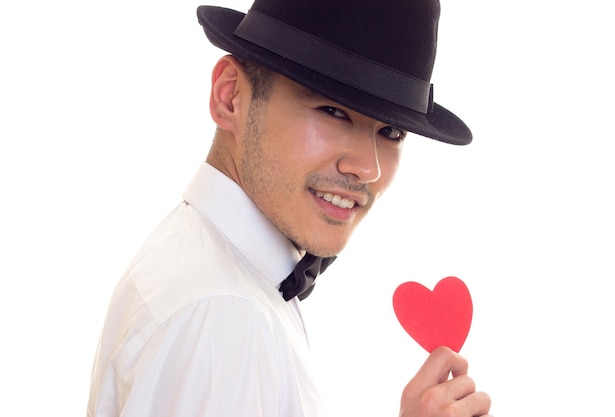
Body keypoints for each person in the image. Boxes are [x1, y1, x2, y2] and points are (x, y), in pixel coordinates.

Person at [87, 0, 492, 416]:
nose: (367, 168)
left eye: (391, 131)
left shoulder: (213, 270)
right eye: (332, 111)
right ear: (230, 97)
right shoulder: (224, 314)